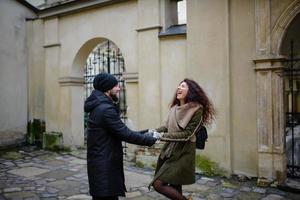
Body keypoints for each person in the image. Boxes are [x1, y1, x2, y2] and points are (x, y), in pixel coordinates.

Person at [84, 73, 157, 200]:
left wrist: (144, 132)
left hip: (102, 161)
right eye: (116, 86)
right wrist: (151, 140)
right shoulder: (105, 109)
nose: (119, 88)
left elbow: (118, 132)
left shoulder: (100, 106)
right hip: (104, 165)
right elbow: (125, 134)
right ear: (107, 89)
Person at [149, 78, 215, 200]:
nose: (178, 88)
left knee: (158, 184)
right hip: (170, 149)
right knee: (175, 184)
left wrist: (161, 136)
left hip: (184, 152)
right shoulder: (174, 108)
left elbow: (187, 134)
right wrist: (154, 131)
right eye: (178, 86)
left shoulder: (197, 109)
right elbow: (166, 126)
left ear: (191, 91)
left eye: (183, 86)